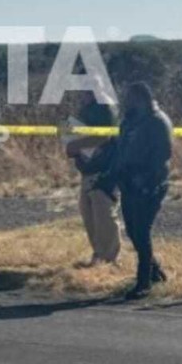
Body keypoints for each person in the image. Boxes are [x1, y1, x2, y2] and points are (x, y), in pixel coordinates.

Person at [97, 82, 173, 300]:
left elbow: (163, 155)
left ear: (140, 98)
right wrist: (110, 176)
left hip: (149, 185)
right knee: (133, 232)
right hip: (128, 184)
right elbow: (121, 152)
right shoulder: (129, 122)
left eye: (129, 97)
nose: (125, 101)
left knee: (142, 231)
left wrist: (148, 182)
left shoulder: (158, 122)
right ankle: (155, 272)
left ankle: (143, 282)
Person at [65, 87, 121, 266]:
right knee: (88, 212)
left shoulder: (105, 107)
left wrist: (76, 144)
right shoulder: (85, 109)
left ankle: (109, 258)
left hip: (105, 169)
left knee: (103, 212)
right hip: (88, 169)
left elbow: (103, 137)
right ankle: (98, 254)